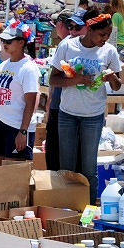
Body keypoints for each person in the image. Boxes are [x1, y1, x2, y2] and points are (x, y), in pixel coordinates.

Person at [50, 11, 122, 203]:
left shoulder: (109, 52)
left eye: (108, 35)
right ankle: (66, 207)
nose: (105, 39)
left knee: (89, 168)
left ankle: (88, 209)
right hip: (68, 114)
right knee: (66, 168)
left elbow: (117, 86)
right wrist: (76, 80)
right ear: (89, 29)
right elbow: (53, 79)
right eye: (101, 34)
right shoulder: (68, 45)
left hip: (94, 115)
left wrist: (112, 77)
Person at [0, 20, 40, 163]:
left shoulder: (28, 68)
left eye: (9, 41)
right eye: (3, 40)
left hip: (17, 126)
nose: (4, 43)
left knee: (13, 174)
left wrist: (23, 131)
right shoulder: (3, 65)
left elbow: (31, 103)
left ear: (21, 42)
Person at [45, 10, 87, 171]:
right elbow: (53, 78)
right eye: (71, 27)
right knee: (56, 155)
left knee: (75, 158)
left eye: (77, 28)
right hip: (60, 106)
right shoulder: (66, 44)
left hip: (80, 111)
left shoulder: (98, 49)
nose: (73, 31)